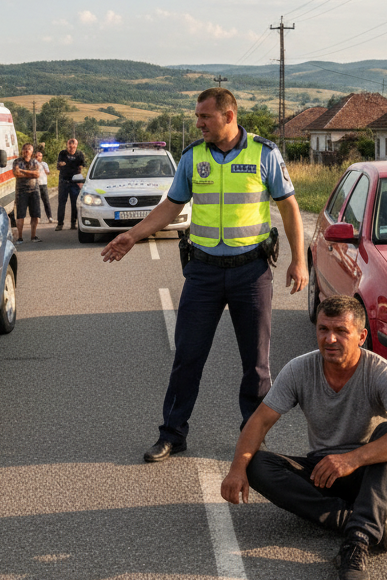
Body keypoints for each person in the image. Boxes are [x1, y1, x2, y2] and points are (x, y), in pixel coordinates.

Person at [101, 87, 308, 462]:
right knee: (188, 357)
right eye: (198, 116)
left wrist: (300, 260)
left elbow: (290, 207)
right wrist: (132, 235)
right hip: (204, 273)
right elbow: (171, 206)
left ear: (229, 116)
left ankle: (253, 437)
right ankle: (172, 434)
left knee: (257, 364)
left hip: (251, 271)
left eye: (205, 117)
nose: (199, 123)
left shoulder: (264, 153)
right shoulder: (192, 157)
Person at [221, 296, 387, 580]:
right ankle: (358, 521)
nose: (330, 338)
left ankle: (358, 541)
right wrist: (237, 468)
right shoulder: (299, 369)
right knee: (257, 463)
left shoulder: (381, 372)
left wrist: (352, 460)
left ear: (361, 336)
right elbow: (260, 421)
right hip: (324, 473)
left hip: (375, 477)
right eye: (323, 329)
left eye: (341, 331)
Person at [13, 142, 43, 242]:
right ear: (22, 151)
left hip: (34, 190)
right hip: (21, 191)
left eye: (29, 149)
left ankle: (33, 236)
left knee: (35, 214)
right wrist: (31, 173)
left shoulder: (35, 162)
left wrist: (23, 171)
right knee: (20, 215)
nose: (26, 151)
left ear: (32, 151)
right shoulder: (17, 161)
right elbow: (16, 174)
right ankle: (20, 237)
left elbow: (37, 174)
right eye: (25, 149)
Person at [56, 138, 85, 230]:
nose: (71, 148)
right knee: (61, 203)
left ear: (76, 146)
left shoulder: (80, 154)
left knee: (75, 203)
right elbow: (58, 166)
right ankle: (60, 223)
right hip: (63, 181)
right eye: (70, 146)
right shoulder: (62, 153)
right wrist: (61, 164)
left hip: (75, 182)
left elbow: (81, 167)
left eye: (73, 146)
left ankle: (73, 223)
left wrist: (80, 181)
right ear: (67, 145)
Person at [35, 150, 54, 223]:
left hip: (43, 184)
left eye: (39, 156)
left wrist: (43, 167)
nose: (38, 157)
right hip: (36, 184)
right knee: (36, 202)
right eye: (37, 156)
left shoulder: (44, 164)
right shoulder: (33, 163)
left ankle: (50, 216)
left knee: (46, 201)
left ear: (42, 157)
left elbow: (48, 172)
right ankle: (37, 217)